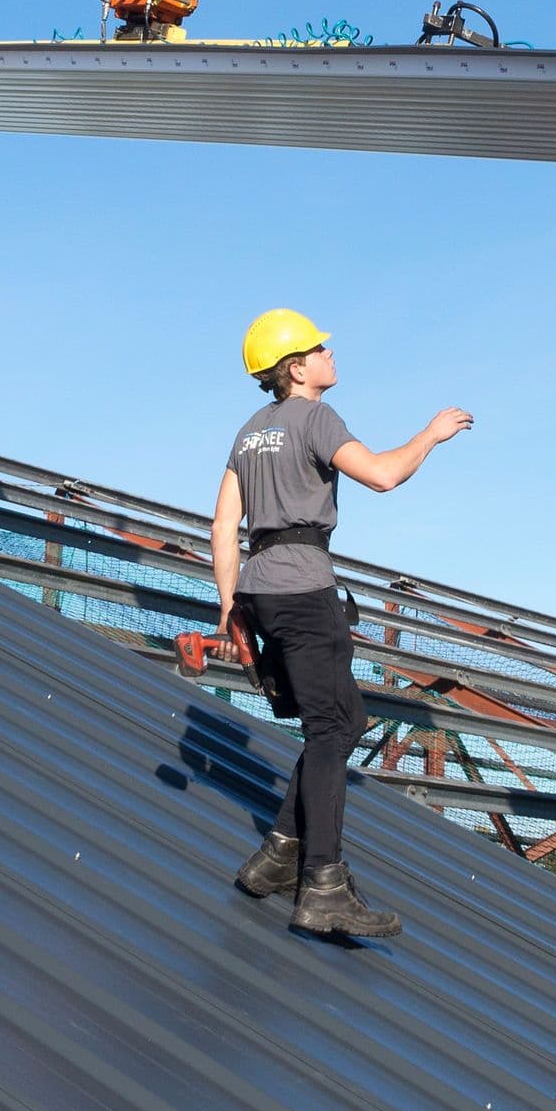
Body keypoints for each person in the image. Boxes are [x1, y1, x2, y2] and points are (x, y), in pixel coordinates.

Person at [213, 308, 472, 939]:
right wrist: (431, 435)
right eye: (319, 348)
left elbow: (224, 526)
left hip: (260, 589)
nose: (331, 353)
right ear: (296, 367)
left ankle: (278, 853)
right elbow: (384, 475)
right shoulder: (316, 417)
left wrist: (230, 610)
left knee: (344, 719)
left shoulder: (249, 434)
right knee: (332, 728)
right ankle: (322, 883)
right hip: (305, 588)